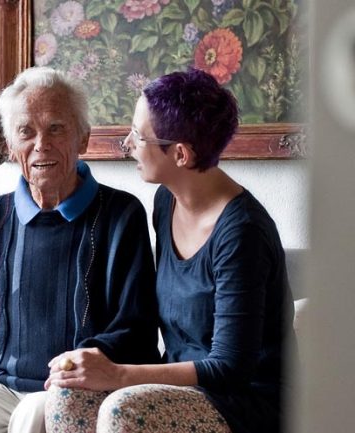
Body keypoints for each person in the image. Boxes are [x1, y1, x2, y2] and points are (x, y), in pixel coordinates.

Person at [0, 67, 161, 433]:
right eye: (26, 132)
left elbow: (135, 324)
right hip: (0, 386)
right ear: (10, 147)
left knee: (35, 413)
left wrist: (77, 364)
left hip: (75, 388)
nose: (41, 144)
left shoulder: (120, 214)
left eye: (56, 128)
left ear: (83, 138)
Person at [43, 68, 298, 433]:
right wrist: (95, 360)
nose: (127, 143)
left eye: (139, 135)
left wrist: (117, 375)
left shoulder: (243, 234)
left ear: (180, 154)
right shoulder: (166, 202)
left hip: (245, 402)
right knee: (68, 395)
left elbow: (230, 368)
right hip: (181, 391)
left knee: (123, 410)